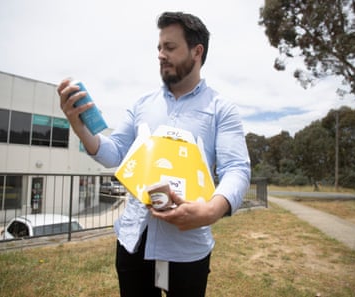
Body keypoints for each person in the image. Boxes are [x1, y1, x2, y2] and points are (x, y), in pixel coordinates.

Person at [57, 11, 251, 297]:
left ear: (197, 51)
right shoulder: (141, 104)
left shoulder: (222, 109)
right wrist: (80, 127)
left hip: (187, 246)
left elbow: (236, 168)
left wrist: (211, 211)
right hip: (133, 240)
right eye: (159, 48)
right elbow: (117, 153)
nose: (161, 54)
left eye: (170, 47)